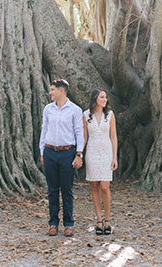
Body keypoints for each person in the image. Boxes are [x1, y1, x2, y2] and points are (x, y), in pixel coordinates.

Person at [39, 78, 84, 237]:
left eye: (52, 89)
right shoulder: (48, 109)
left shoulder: (75, 110)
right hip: (50, 151)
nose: (50, 92)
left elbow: (79, 132)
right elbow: (44, 130)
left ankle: (68, 224)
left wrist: (79, 154)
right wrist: (42, 151)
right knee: (52, 190)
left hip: (67, 153)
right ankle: (53, 223)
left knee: (66, 190)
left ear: (61, 91)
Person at [83, 88, 118, 235]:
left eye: (106, 97)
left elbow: (114, 137)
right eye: (102, 97)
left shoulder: (109, 115)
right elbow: (84, 137)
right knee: (95, 186)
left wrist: (115, 157)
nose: (105, 100)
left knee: (105, 186)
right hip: (91, 152)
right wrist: (78, 153)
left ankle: (108, 220)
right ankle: (98, 220)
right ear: (95, 99)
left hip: (106, 152)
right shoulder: (86, 115)